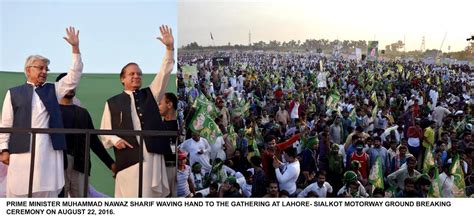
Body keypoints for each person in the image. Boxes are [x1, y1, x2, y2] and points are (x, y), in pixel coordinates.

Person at [0, 27, 82, 197]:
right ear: (28, 69)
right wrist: (3, 149)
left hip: (49, 150)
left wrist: (75, 48)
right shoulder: (13, 93)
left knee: (48, 193)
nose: (44, 72)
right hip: (22, 151)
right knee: (19, 191)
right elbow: (6, 124)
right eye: (40, 68)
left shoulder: (54, 89)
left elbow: (73, 77)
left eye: (46, 69)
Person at [100, 25, 174, 197]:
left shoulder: (150, 94)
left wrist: (169, 49)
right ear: (122, 78)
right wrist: (115, 139)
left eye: (139, 74)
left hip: (151, 157)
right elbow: (105, 131)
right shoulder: (112, 102)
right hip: (128, 158)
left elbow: (164, 74)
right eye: (132, 74)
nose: (136, 76)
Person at [56, 73, 116, 197]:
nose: (71, 87)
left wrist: (110, 164)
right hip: (57, 164)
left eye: (73, 85)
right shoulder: (50, 112)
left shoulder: (82, 113)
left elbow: (93, 141)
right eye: (67, 84)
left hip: (80, 163)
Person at [159, 92, 179, 197]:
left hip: (169, 168)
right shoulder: (163, 124)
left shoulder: (175, 126)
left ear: (169, 105)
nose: (158, 107)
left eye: (160, 103)